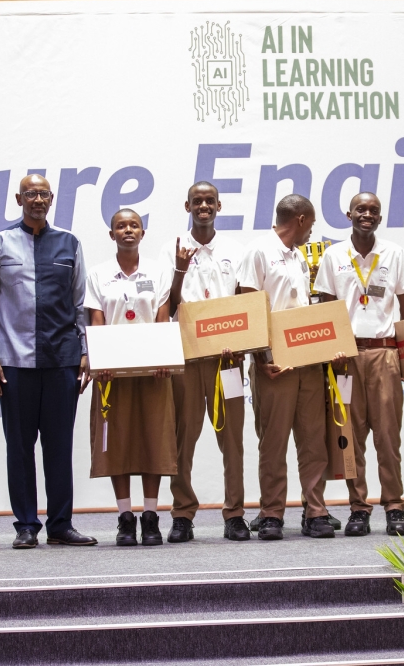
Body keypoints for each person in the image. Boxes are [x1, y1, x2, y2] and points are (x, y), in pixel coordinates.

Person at [0, 174, 96, 548]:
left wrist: (87, 350)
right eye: (30, 193)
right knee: (20, 446)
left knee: (60, 446)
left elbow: (80, 306)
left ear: (51, 198)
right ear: (19, 198)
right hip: (14, 361)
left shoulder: (69, 243)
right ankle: (27, 524)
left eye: (43, 194)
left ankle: (61, 524)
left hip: (62, 359)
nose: (37, 199)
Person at [239, 194, 341, 541]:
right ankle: (271, 513)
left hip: (307, 362)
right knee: (273, 441)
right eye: (310, 224)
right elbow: (248, 307)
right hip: (274, 366)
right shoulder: (259, 251)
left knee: (313, 441)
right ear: (299, 219)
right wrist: (262, 357)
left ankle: (315, 510)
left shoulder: (299, 257)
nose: (311, 232)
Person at [313, 192, 404, 537]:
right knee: (350, 436)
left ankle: (394, 505)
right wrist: (331, 352)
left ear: (380, 217)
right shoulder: (333, 255)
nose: (366, 214)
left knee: (388, 435)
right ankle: (359, 507)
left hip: (385, 354)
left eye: (373, 210)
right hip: (346, 357)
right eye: (361, 209)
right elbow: (325, 308)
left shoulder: (394, 254)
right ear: (349, 214)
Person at [161, 182, 250, 543]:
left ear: (219, 206)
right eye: (196, 201)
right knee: (183, 437)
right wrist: (181, 270)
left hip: (226, 360)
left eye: (209, 201)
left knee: (232, 438)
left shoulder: (234, 249)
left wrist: (241, 342)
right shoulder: (172, 249)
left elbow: (244, 301)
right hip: (186, 357)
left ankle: (235, 514)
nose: (203, 206)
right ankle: (182, 514)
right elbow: (167, 308)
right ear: (187, 205)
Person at [85, 208, 177, 547]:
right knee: (118, 443)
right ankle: (126, 517)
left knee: (155, 438)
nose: (127, 230)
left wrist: (164, 357)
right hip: (113, 373)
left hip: (153, 369)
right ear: (112, 234)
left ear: (142, 231)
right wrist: (100, 361)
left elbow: (162, 319)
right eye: (121, 226)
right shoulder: (98, 274)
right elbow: (96, 321)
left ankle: (151, 516)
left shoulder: (159, 271)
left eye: (134, 225)